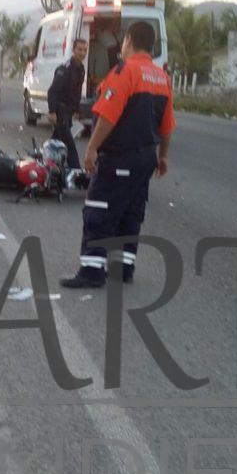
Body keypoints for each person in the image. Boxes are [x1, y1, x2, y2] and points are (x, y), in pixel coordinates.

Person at [60, 21, 175, 290]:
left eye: (123, 41)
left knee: (98, 210)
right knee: (130, 214)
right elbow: (167, 125)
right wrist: (163, 157)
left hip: (120, 158)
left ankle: (91, 271)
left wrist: (91, 148)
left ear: (130, 40)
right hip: (145, 160)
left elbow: (109, 116)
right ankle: (123, 268)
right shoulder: (161, 77)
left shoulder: (125, 72)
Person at [47, 37, 88, 170]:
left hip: (69, 112)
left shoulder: (81, 69)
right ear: (73, 50)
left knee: (56, 141)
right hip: (60, 111)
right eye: (80, 49)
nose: (82, 53)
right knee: (70, 144)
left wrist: (77, 111)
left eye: (85, 50)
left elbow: (76, 93)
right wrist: (52, 111)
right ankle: (76, 171)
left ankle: (46, 162)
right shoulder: (65, 69)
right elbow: (52, 91)